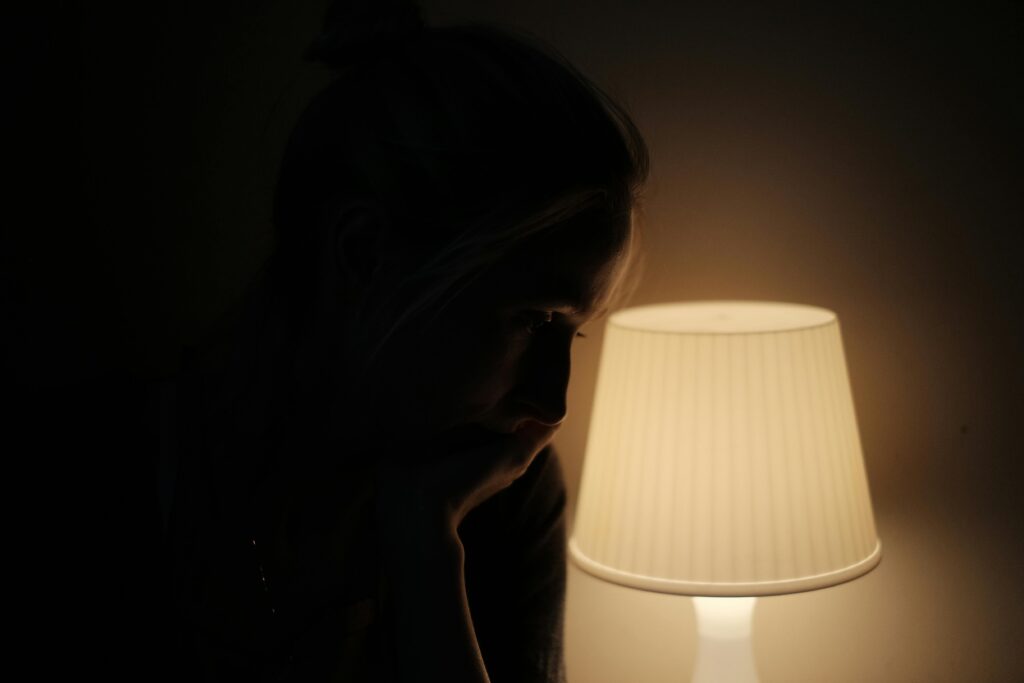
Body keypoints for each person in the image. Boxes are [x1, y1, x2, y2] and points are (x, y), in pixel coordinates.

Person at [151, 1, 650, 681]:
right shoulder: (109, 480)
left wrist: (427, 551)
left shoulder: (504, 496)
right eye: (534, 319)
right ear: (363, 255)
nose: (553, 403)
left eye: (575, 331)